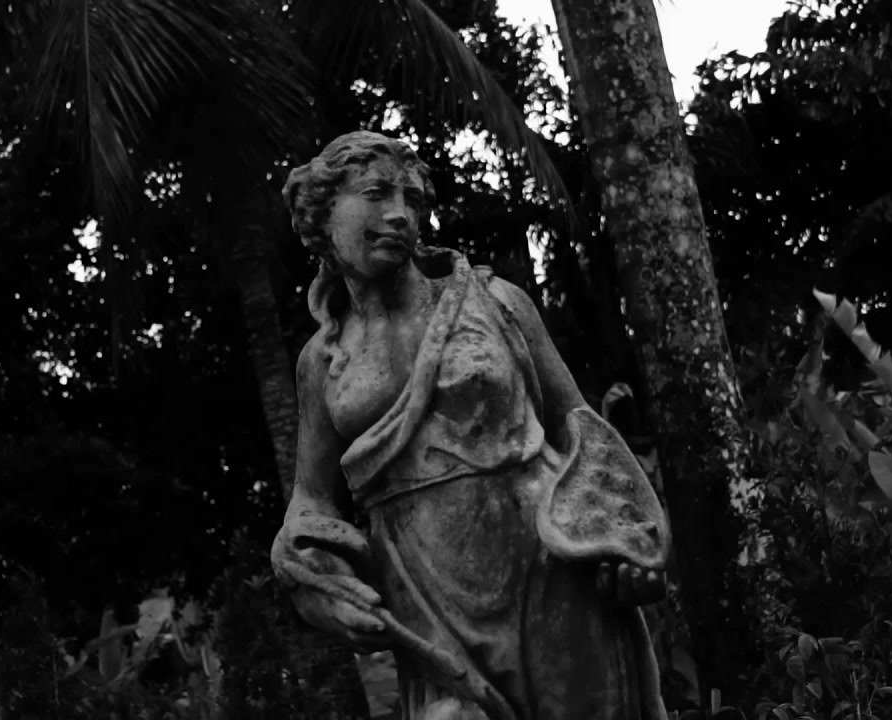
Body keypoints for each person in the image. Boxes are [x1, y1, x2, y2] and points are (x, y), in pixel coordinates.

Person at [271, 130, 671, 720]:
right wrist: (318, 583)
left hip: (547, 566)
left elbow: (579, 427)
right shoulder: (322, 361)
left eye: (411, 199)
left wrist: (627, 544)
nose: (399, 214)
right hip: (424, 593)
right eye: (376, 194)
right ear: (322, 213)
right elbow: (311, 502)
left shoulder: (495, 303)